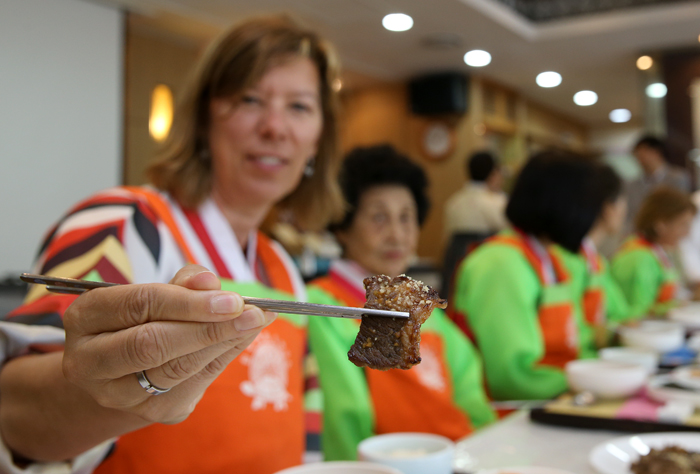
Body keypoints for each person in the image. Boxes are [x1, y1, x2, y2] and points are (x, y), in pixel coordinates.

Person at [1, 15, 343, 474]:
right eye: (249, 100)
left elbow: (304, 412)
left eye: (299, 107)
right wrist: (127, 386)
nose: (275, 127)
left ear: (318, 139)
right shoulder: (121, 226)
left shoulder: (282, 264)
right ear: (205, 118)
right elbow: (14, 414)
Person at [306, 145, 495, 460]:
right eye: (379, 218)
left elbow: (472, 404)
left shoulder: (428, 313)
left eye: (407, 218)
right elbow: (342, 421)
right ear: (342, 226)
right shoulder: (321, 308)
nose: (396, 234)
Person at [450, 151, 601, 401]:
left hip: (557, 398)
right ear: (564, 204)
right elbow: (511, 377)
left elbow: (576, 340)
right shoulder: (500, 264)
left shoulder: (550, 258)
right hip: (511, 416)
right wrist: (587, 381)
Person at [552, 163, 630, 350]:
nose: (625, 209)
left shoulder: (595, 259)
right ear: (608, 207)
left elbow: (622, 315)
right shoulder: (563, 259)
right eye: (622, 200)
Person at [611, 187, 696, 320]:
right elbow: (639, 313)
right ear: (660, 225)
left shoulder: (655, 251)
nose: (687, 233)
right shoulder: (640, 258)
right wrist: (683, 304)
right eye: (683, 225)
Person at [624, 135, 690, 236]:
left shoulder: (677, 178)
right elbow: (630, 214)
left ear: (656, 152)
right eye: (637, 154)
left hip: (669, 235)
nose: (639, 158)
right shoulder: (632, 185)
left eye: (643, 152)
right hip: (639, 237)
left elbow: (680, 209)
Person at [444, 150, 507, 239]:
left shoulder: (453, 203)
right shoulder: (498, 202)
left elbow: (448, 239)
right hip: (489, 251)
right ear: (493, 174)